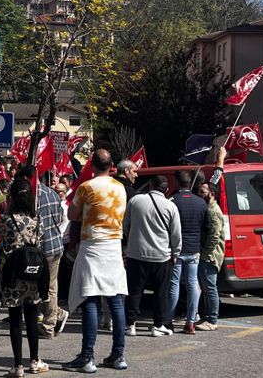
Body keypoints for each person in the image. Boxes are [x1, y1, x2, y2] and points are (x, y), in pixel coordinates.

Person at [63, 149, 128, 372]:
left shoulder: (87, 187)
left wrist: (85, 215)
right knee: (115, 300)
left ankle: (87, 357)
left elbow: (71, 215)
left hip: (92, 245)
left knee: (90, 299)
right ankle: (118, 355)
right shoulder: (120, 187)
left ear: (92, 166)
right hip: (113, 246)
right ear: (111, 166)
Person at [0, 180, 49, 377]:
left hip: (12, 273)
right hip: (32, 272)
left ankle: (18, 366)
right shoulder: (38, 219)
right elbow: (40, 241)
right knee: (32, 318)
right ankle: (35, 360)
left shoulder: (6, 219)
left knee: (15, 319)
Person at [123, 175, 181, 337]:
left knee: (134, 290)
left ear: (150, 185)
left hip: (136, 253)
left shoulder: (135, 201)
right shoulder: (170, 206)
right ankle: (158, 325)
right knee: (161, 292)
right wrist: (175, 254)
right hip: (161, 255)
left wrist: (133, 240)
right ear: (166, 189)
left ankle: (130, 324)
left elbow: (125, 226)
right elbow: (176, 235)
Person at [19, 166, 67, 339]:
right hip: (55, 245)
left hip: (40, 249)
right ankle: (54, 317)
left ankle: (49, 324)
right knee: (50, 286)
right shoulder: (52, 193)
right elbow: (61, 216)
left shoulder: (31, 196)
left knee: (41, 287)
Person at [165, 170, 210, 334]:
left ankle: (168, 320)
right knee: (192, 284)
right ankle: (190, 322)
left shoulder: (171, 201)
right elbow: (208, 226)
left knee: (174, 284)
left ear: (177, 182)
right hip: (194, 249)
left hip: (176, 249)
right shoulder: (200, 202)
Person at [195, 181, 224, 331]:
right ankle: (207, 317)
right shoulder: (208, 208)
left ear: (211, 194)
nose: (199, 194)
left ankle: (212, 320)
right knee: (206, 288)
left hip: (210, 256)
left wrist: (206, 254)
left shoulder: (213, 211)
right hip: (208, 254)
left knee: (210, 288)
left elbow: (214, 236)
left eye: (202, 192)